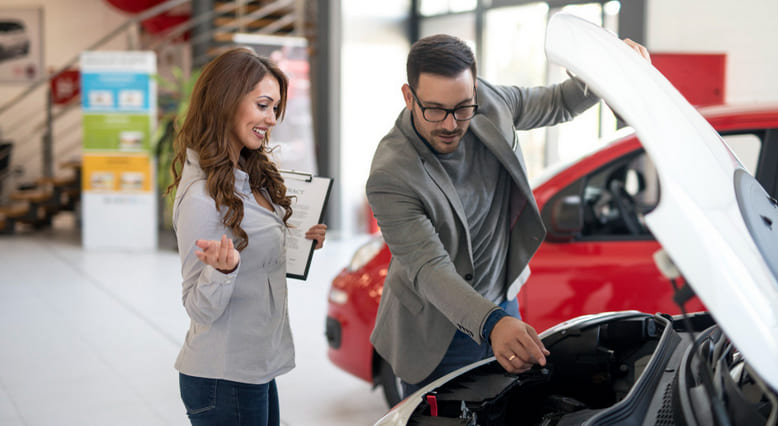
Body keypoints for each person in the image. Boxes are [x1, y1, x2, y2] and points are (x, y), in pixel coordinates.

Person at [366, 33, 650, 397]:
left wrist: (608, 65)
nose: (451, 124)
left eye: (463, 107)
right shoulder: (391, 175)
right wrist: (492, 323)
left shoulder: (489, 101)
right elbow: (428, 268)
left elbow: (560, 102)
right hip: (438, 329)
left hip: (501, 300)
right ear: (409, 97)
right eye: (435, 110)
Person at [166, 47, 327, 426]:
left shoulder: (248, 173)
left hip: (253, 366)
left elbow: (256, 254)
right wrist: (221, 272)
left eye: (275, 109)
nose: (271, 119)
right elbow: (198, 306)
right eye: (263, 105)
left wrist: (301, 241)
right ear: (226, 102)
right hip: (224, 376)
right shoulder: (203, 199)